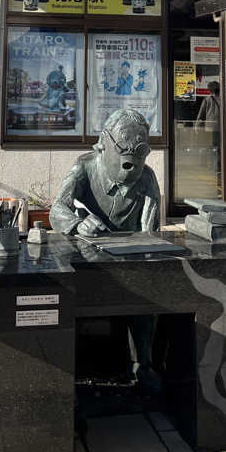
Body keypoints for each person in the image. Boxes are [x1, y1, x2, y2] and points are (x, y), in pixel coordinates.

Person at [49, 108, 161, 389]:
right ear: (103, 146)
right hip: (88, 252)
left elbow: (151, 232)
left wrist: (145, 251)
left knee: (147, 297)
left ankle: (143, 364)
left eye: (137, 158)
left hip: (129, 256)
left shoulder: (147, 179)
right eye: (124, 157)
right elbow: (57, 209)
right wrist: (77, 224)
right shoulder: (85, 167)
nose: (131, 166)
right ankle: (76, 367)